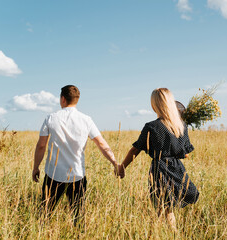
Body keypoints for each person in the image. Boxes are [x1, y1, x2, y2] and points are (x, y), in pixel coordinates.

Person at [32, 85, 123, 224]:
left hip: (53, 175)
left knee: (44, 216)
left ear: (62, 99)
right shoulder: (86, 120)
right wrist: (114, 163)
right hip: (77, 175)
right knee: (78, 218)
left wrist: (35, 167)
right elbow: (102, 144)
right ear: (77, 100)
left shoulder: (51, 118)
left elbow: (41, 145)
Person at [118, 88, 199, 229]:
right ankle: (167, 233)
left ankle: (169, 234)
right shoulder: (181, 126)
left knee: (163, 206)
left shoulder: (151, 127)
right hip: (177, 168)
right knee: (167, 207)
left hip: (159, 169)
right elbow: (185, 154)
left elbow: (135, 149)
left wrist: (122, 167)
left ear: (154, 105)